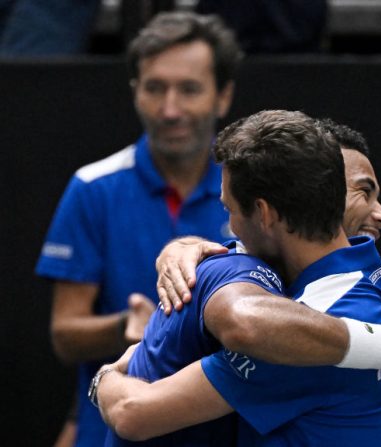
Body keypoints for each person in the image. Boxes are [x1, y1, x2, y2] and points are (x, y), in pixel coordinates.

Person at [95, 110, 381, 445]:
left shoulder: (294, 342)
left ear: (264, 213)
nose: (231, 226)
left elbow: (132, 413)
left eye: (228, 209)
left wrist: (107, 377)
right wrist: (181, 247)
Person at [34, 11, 242, 446]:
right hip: (110, 428)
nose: (170, 109)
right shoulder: (93, 188)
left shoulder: (254, 190)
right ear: (135, 93)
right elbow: (64, 334)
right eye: (154, 88)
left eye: (188, 89)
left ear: (223, 97)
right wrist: (128, 325)